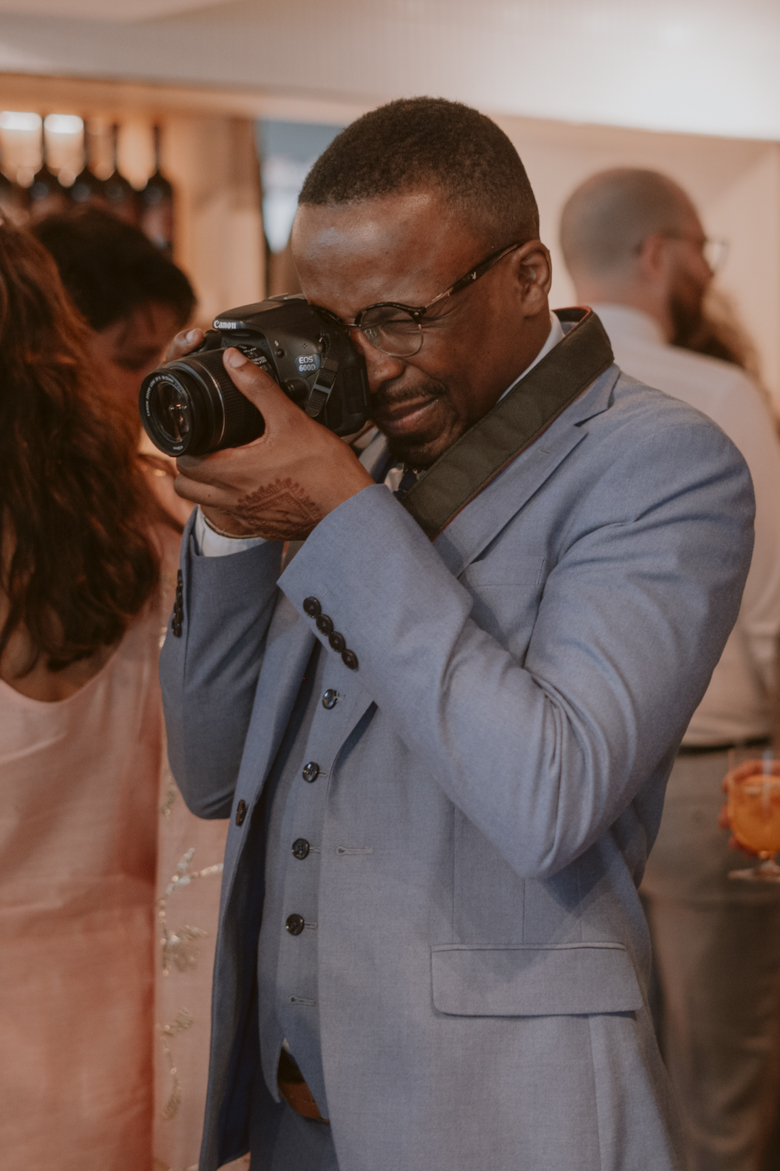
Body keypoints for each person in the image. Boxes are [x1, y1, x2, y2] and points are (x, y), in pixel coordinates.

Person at [160, 98, 755, 1171]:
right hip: (293, 1121)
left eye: (399, 317)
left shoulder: (661, 463)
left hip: (502, 1116)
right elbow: (211, 773)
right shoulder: (358, 450)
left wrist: (338, 515)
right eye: (334, 326)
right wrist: (230, 518)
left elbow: (549, 795)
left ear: (527, 276)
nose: (368, 365)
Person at [560, 167, 780, 1171]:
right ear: (657, 252)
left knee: (604, 1088)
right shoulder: (720, 392)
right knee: (723, 1090)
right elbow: (771, 619)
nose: (708, 271)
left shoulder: (526, 393)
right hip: (711, 788)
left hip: (567, 787)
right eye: (702, 249)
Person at [32, 205, 197, 528]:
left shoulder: (157, 491)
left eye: (167, 360)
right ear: (52, 359)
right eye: (133, 361)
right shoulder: (27, 516)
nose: (161, 388)